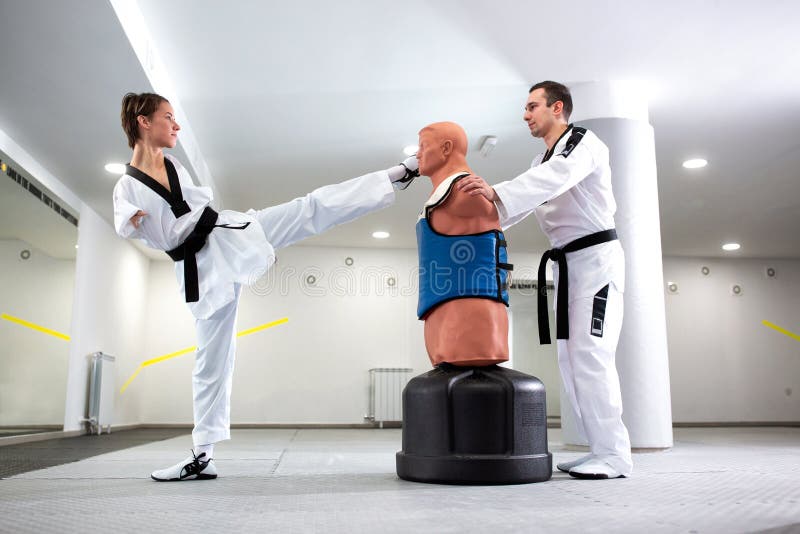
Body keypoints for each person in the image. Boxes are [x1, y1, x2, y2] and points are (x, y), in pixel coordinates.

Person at [112, 92, 418, 481]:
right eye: (168, 117)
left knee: (308, 209)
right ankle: (201, 456)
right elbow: (139, 227)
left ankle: (397, 173)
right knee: (213, 360)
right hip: (200, 268)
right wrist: (136, 221)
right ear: (143, 121)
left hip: (226, 234)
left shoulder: (173, 164)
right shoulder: (126, 188)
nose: (176, 125)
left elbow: (189, 213)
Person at [457, 81, 632, 480]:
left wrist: (495, 191)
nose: (525, 114)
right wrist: (477, 222)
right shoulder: (540, 163)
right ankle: (599, 449)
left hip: (596, 262)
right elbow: (522, 204)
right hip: (566, 265)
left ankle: (616, 454)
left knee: (592, 356)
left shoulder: (582, 143)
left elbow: (556, 178)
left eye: (532, 106)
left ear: (557, 108)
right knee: (570, 359)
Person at [415, 122, 512, 366]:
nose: (417, 154)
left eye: (423, 147)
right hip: (443, 313)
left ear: (446, 148)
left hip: (470, 317)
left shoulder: (465, 190)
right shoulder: (444, 194)